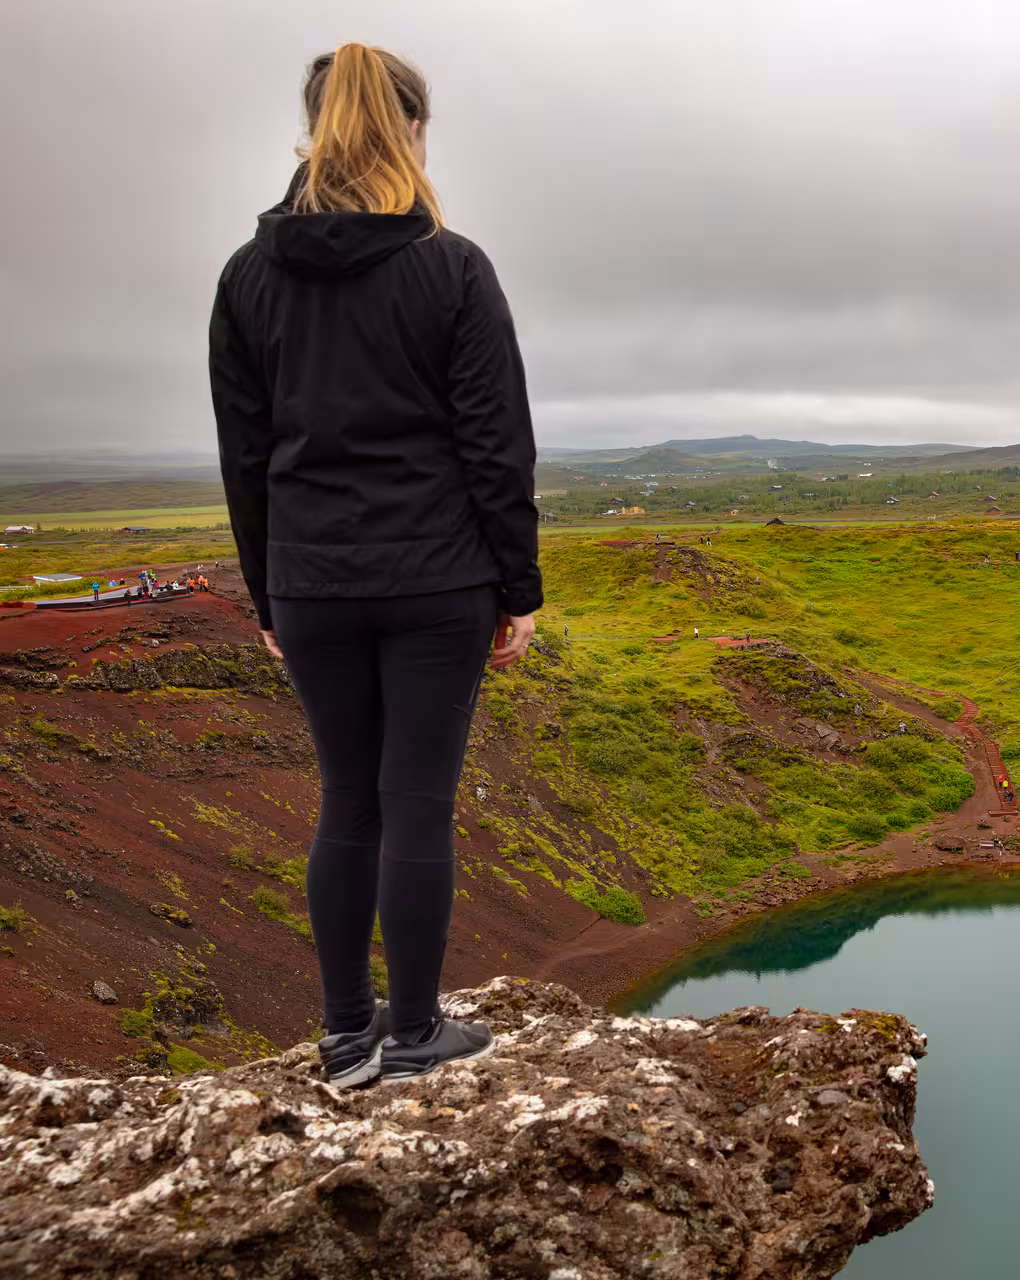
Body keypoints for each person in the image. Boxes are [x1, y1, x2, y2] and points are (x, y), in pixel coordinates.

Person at [211, 43, 541, 1086]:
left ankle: (345, 1034)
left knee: (346, 797)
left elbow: (245, 452)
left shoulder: (248, 277)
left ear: (313, 133)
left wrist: (270, 593)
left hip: (312, 582)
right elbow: (497, 445)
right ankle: (412, 1033)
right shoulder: (453, 267)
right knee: (416, 804)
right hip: (440, 580)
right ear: (411, 132)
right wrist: (518, 587)